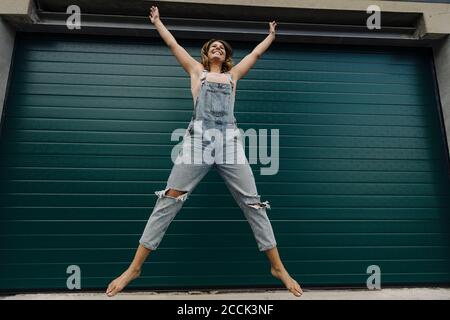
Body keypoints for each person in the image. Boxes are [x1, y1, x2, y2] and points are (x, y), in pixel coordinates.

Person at [106, 5, 303, 298]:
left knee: (253, 203)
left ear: (226, 56)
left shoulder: (234, 76)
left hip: (229, 144)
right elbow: (173, 44)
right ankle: (134, 268)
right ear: (205, 53)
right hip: (198, 142)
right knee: (169, 199)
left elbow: (256, 55)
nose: (218, 49)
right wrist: (158, 22)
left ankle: (278, 268)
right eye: (213, 47)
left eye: (222, 48)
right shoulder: (195, 71)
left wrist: (270, 36)